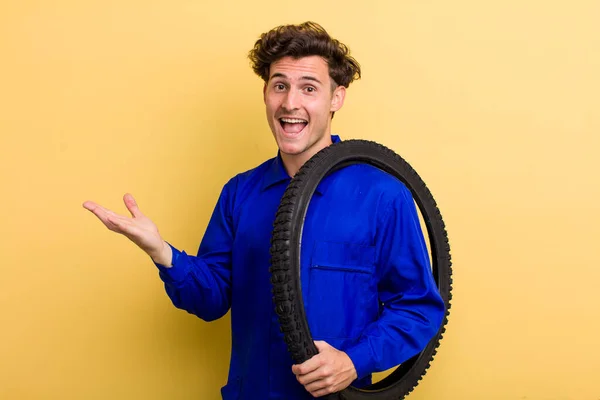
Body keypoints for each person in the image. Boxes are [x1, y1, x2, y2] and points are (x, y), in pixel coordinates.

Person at [83, 21, 445, 400]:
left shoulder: (382, 195)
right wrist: (163, 253)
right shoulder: (240, 193)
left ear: (336, 98)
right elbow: (210, 299)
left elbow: (417, 310)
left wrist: (354, 361)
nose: (290, 103)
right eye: (279, 85)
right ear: (266, 94)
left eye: (309, 87)